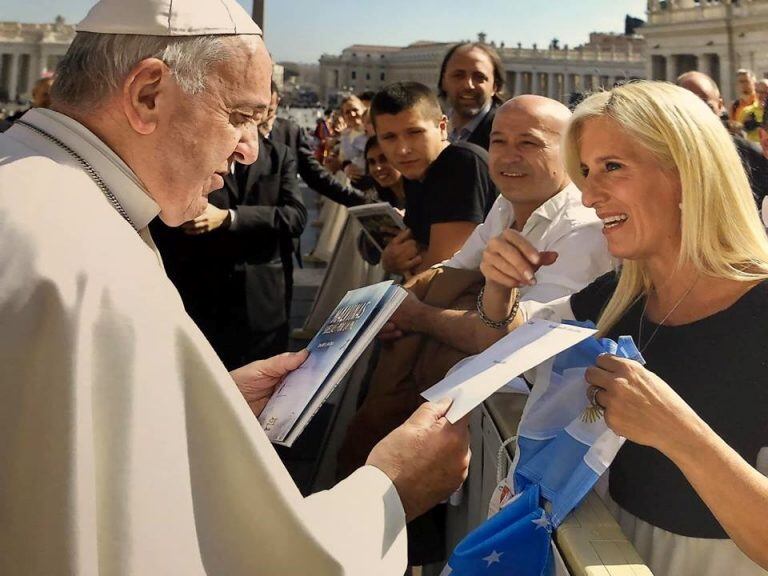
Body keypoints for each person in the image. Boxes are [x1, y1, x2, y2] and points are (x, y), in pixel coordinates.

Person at [0, 1, 471, 574]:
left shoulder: (43, 192)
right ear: (149, 94)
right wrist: (391, 492)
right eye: (240, 115)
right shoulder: (85, 256)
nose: (249, 147)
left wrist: (210, 406)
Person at [478, 81, 768, 575]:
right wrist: (498, 290)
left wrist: (677, 432)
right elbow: (507, 350)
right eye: (586, 173)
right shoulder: (617, 296)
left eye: (612, 167)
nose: (589, 196)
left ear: (687, 173)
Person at [380, 95, 611, 354]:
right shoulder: (507, 203)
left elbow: (524, 339)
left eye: (528, 143)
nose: (509, 156)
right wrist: (394, 306)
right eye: (499, 141)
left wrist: (418, 316)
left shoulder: (583, 231)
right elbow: (454, 268)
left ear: (570, 153)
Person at [151, 124, 306, 369]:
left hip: (264, 296)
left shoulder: (280, 155)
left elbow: (295, 217)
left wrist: (230, 218)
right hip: (205, 297)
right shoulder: (194, 155)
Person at [373, 81, 498, 278]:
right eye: (389, 138)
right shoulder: (416, 171)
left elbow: (441, 274)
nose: (403, 150)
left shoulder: (460, 164)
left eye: (414, 133)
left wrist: (392, 261)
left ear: (442, 127)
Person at [677, 70, 768, 209]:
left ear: (720, 105)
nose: (695, 118)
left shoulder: (753, 157)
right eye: (685, 110)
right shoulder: (654, 162)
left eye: (706, 107)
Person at [437, 41, 505, 150]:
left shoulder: (506, 136)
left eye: (479, 77)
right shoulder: (432, 131)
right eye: (458, 75)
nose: (468, 85)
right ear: (443, 81)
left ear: (495, 87)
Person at [739, 78, 768, 143]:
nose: (760, 95)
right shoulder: (747, 111)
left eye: (764, 92)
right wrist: (745, 127)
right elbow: (739, 133)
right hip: (753, 150)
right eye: (758, 92)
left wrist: (758, 124)